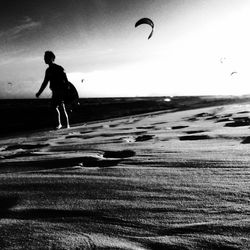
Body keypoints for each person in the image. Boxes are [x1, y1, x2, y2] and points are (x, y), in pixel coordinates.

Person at [36, 51, 70, 129]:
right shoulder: (48, 70)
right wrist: (39, 92)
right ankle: (63, 124)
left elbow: (65, 79)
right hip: (55, 91)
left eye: (47, 57)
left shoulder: (59, 68)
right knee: (57, 107)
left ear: (52, 58)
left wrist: (66, 88)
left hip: (60, 90)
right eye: (44, 57)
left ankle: (63, 124)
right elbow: (45, 82)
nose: (45, 59)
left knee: (57, 107)